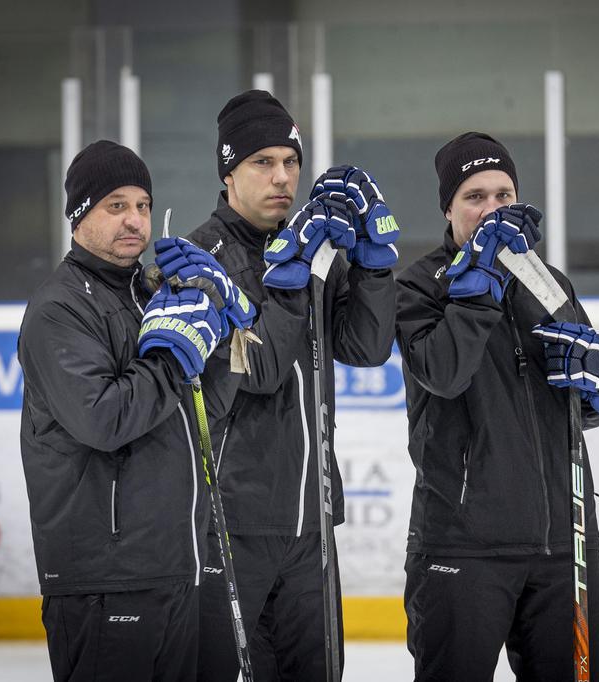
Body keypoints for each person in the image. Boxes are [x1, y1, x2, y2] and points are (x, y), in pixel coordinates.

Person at [395, 132, 599, 681]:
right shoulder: (420, 288)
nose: (492, 209)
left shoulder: (550, 284)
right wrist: (479, 284)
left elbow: (581, 408)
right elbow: (444, 372)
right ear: (448, 208)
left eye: (504, 195)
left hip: (564, 547)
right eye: (475, 196)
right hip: (461, 546)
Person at [183, 90, 399, 681]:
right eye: (263, 162)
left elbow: (368, 346)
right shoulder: (201, 260)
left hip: (312, 523)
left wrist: (375, 266)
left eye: (291, 162)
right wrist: (291, 279)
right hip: (230, 525)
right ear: (228, 172)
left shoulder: (316, 254)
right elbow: (255, 370)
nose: (283, 178)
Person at [19, 140, 254, 681]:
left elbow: (206, 413)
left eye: (143, 205)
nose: (135, 220)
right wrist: (174, 358)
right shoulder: (59, 309)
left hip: (175, 569)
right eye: (115, 205)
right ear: (79, 216)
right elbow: (104, 420)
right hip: (105, 580)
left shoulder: (148, 296)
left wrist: (220, 335)